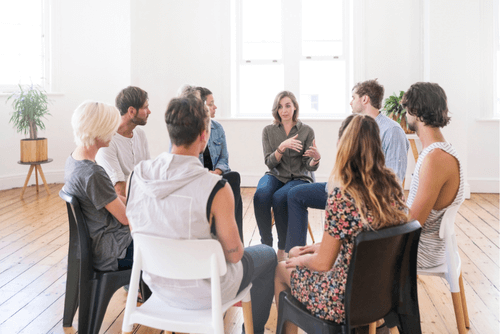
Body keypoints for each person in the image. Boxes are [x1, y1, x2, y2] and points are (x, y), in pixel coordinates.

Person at [126, 96, 276, 334]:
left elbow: (136, 230)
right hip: (207, 292)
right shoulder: (215, 187)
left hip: (157, 285)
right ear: (204, 135)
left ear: (170, 132)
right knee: (268, 254)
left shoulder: (138, 175)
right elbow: (235, 254)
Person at [274, 114, 408, 332]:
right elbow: (360, 238)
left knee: (282, 268)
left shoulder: (343, 196)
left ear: (343, 145)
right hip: (383, 293)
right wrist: (314, 249)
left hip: (343, 300)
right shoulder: (393, 191)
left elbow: (323, 264)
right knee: (299, 252)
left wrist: (304, 259)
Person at [284, 79, 409, 253]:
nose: (351, 101)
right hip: (343, 189)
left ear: (364, 100)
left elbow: (395, 178)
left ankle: (328, 252)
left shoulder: (391, 131)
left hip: (362, 197)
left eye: (353, 97)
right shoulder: (355, 126)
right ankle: (295, 253)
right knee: (295, 194)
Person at [63, 101, 133, 271]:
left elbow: (112, 198)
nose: (114, 132)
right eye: (111, 128)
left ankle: (139, 287)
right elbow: (125, 218)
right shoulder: (93, 173)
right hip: (111, 251)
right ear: (98, 132)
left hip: (98, 245)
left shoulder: (74, 160)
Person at [402, 82, 464, 268]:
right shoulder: (437, 152)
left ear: (416, 112)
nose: (405, 115)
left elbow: (414, 222)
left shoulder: (435, 159)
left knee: (352, 246)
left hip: (420, 251)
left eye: (407, 110)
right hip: (422, 246)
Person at [254, 91, 321, 261]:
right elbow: (269, 163)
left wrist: (315, 159)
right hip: (275, 174)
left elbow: (308, 165)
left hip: (299, 177)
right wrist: (281, 148)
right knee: (261, 195)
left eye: (288, 105)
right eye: (280, 107)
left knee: (279, 197)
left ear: (295, 107)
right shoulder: (268, 131)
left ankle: (281, 249)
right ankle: (265, 245)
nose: (284, 110)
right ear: (276, 110)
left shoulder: (306, 131)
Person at [196, 86, 244, 242]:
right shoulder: (189, 131)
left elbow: (224, 158)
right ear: (201, 106)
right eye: (211, 104)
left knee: (234, 177)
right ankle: (227, 237)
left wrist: (216, 172)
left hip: (216, 176)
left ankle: (236, 238)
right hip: (198, 179)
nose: (215, 107)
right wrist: (205, 174)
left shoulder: (217, 128)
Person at [95, 86, 151, 197]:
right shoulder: (106, 141)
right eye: (145, 108)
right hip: (124, 204)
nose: (149, 111)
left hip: (142, 196)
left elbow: (148, 172)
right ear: (131, 111)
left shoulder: (140, 134)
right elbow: (119, 190)